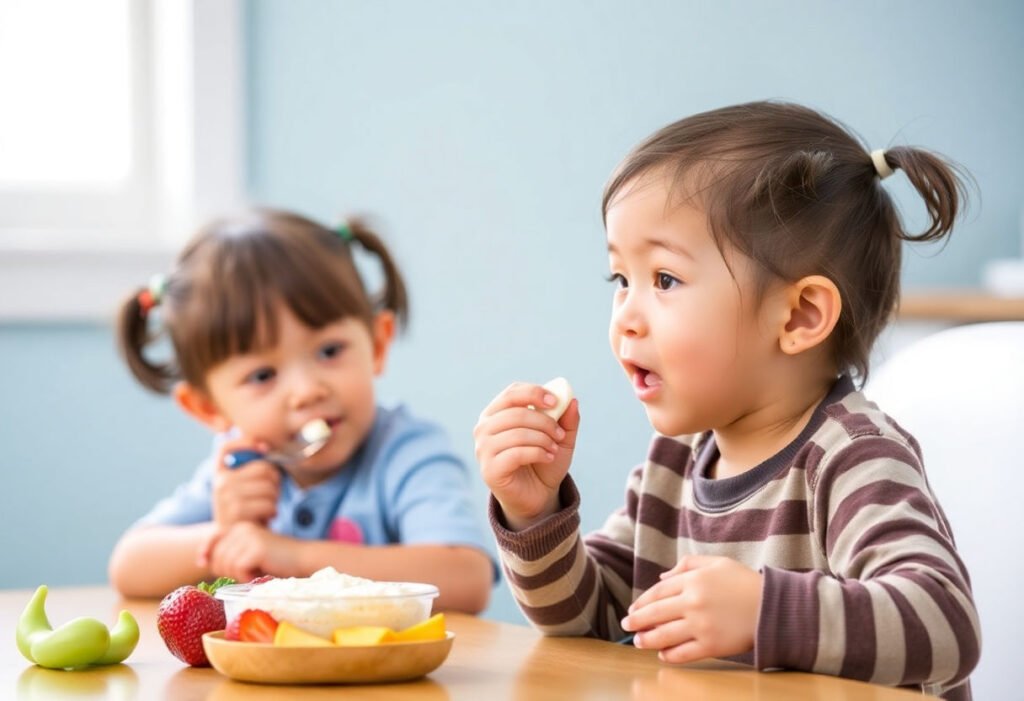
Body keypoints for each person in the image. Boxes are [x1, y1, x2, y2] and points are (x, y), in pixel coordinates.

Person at [474, 101, 979, 699]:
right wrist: (536, 515)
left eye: (664, 279)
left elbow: (946, 623)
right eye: (621, 280)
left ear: (799, 315)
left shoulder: (851, 459)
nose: (626, 318)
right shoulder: (676, 458)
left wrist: (767, 610)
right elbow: (596, 617)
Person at [109, 208, 494, 614]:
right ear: (207, 408)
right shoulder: (241, 467)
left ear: (377, 345)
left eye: (329, 351)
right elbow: (129, 566)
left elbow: (466, 580)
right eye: (262, 375)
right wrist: (226, 531)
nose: (307, 391)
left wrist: (291, 556)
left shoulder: (406, 451)